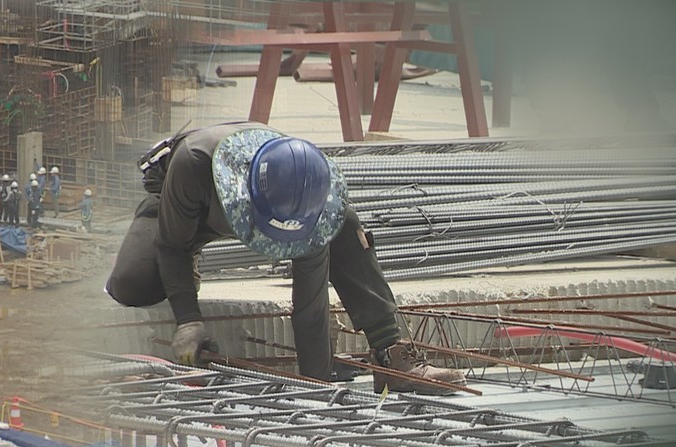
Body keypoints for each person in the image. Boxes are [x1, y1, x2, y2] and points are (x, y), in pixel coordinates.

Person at [105, 121, 465, 395]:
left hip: (264, 206)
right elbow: (171, 246)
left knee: (347, 223)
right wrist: (188, 319)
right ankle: (182, 274)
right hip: (187, 210)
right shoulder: (193, 165)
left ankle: (389, 352)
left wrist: (315, 388)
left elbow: (310, 304)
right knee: (130, 284)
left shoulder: (309, 196)